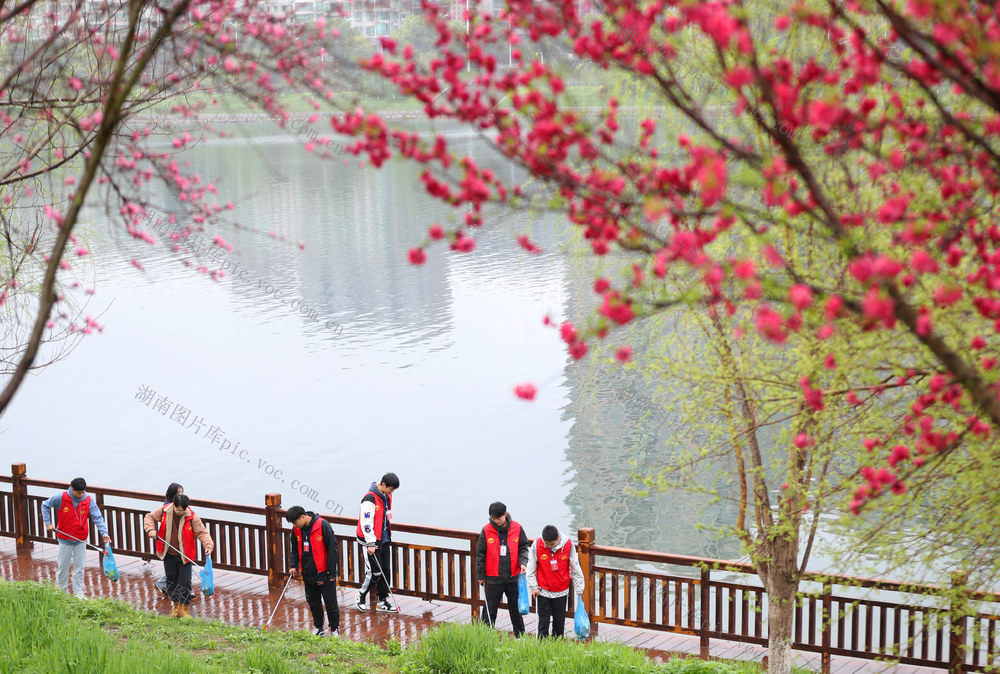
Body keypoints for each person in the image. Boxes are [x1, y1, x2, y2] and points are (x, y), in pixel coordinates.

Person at [143, 493, 214, 618]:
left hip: (184, 555)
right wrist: (151, 530)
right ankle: (176, 608)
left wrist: (208, 546)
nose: (181, 512)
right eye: (178, 510)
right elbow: (149, 517)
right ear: (173, 505)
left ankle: (184, 609)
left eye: (183, 510)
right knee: (171, 580)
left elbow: (202, 532)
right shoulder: (164, 511)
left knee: (185, 582)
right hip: (168, 553)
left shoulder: (192, 517)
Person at [41, 477, 111, 595]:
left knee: (79, 568)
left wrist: (104, 533)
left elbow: (98, 518)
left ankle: (78, 593)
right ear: (72, 489)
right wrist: (47, 523)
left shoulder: (88, 500)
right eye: (79, 492)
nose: (81, 495)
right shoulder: (61, 497)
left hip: (81, 539)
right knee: (63, 567)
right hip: (65, 539)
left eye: (83, 492)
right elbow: (45, 505)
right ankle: (62, 592)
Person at [286, 505, 341, 637]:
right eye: (292, 523)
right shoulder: (296, 529)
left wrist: (332, 573)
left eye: (295, 522)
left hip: (324, 572)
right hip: (307, 572)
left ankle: (335, 629)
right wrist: (293, 565)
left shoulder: (323, 525)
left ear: (303, 517)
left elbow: (332, 550)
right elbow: (294, 549)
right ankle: (318, 627)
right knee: (313, 602)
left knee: (330, 603)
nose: (294, 525)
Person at [476, 501, 529, 636]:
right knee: (490, 610)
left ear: (505, 514)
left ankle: (520, 637)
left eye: (498, 518)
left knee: (515, 610)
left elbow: (523, 547)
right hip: (494, 578)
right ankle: (484, 636)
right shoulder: (487, 530)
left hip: (513, 577)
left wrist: (523, 562)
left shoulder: (517, 528)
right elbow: (480, 554)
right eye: (493, 518)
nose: (496, 521)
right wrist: (480, 576)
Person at [526, 525, 585, 638]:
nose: (549, 546)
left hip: (561, 590)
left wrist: (579, 587)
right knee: (543, 623)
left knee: (559, 623)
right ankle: (542, 649)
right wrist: (533, 586)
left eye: (552, 544)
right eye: (547, 544)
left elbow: (575, 566)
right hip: (543, 590)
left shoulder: (568, 544)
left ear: (558, 538)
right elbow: (531, 567)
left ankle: (557, 649)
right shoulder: (537, 544)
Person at [355, 472, 399, 613]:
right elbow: (366, 523)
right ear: (384, 485)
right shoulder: (369, 499)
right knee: (375, 572)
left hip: (384, 538)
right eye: (391, 489)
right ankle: (361, 594)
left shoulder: (385, 496)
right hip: (371, 540)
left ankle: (382, 601)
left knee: (385, 571)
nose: (391, 492)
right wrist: (370, 543)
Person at [154, 483, 184, 598]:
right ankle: (163, 585)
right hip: (170, 544)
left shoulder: (176, 505)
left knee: (180, 569)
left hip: (178, 543)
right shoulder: (167, 508)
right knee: (177, 570)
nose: (180, 495)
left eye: (182, 492)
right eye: (178, 493)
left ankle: (182, 591)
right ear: (172, 494)